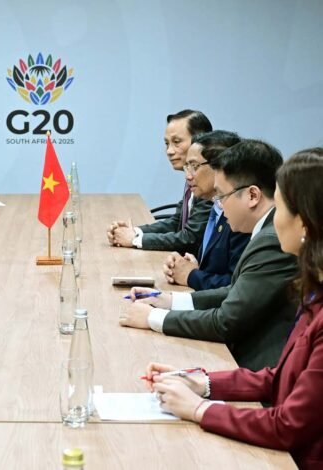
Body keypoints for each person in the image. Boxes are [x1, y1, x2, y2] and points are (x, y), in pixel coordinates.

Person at [145, 148, 323, 469]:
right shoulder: (314, 295)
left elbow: (288, 426)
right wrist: (201, 382)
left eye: (280, 207)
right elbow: (280, 378)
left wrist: (199, 409)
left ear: (306, 224)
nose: (274, 219)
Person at [119, 140, 298, 371]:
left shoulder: (272, 240)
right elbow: (236, 291)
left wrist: (153, 318)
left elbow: (226, 321)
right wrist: (169, 300)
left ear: (253, 195)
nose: (218, 205)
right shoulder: (264, 231)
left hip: (258, 369)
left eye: (221, 196)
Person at [107, 109, 213, 254]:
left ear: (200, 142)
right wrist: (134, 232)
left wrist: (134, 240)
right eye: (167, 144)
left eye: (176, 142)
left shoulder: (208, 185)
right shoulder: (191, 179)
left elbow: (190, 238)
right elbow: (176, 223)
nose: (169, 151)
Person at [162, 131, 250, 290]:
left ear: (221, 166)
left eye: (194, 166)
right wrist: (192, 267)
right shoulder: (215, 206)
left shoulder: (241, 218)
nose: (188, 176)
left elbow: (237, 286)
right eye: (187, 166)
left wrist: (192, 275)